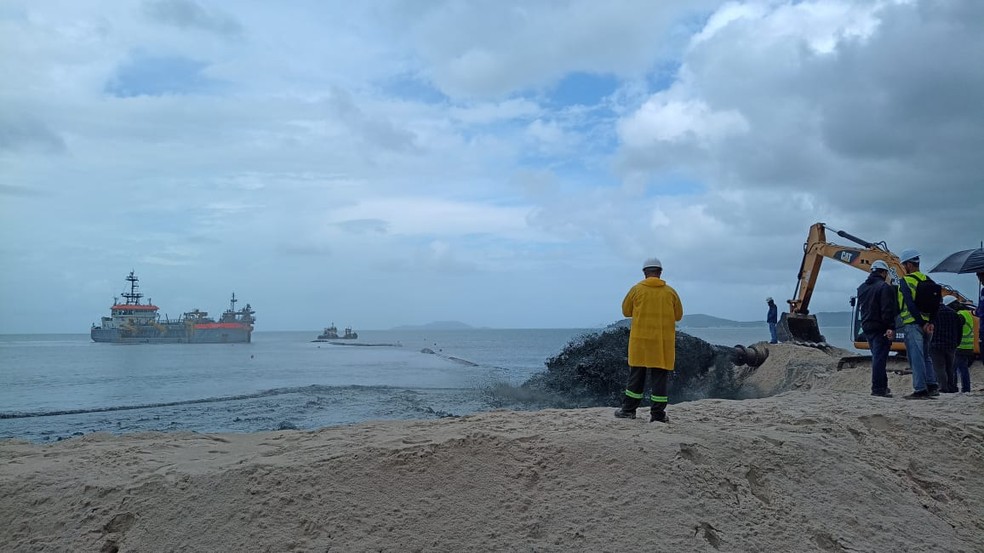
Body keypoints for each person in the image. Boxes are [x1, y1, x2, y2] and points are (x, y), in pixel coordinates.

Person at [615, 257, 684, 423]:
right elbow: (678, 316)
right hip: (662, 343)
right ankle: (658, 416)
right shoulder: (670, 292)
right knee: (659, 379)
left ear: (644, 273)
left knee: (636, 377)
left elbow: (626, 311)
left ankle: (628, 410)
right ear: (660, 273)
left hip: (640, 342)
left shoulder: (636, 290)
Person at [896, 249, 939, 400]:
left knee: (916, 357)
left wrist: (921, 323)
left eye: (904, 265)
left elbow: (909, 304)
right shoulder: (928, 280)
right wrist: (930, 322)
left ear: (908, 264)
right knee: (926, 356)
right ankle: (932, 385)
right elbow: (936, 304)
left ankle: (920, 390)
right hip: (928, 325)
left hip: (913, 324)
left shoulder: (906, 281)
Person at [856, 260, 897, 397]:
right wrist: (890, 326)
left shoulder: (862, 288)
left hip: (867, 327)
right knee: (880, 359)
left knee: (877, 357)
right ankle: (878, 389)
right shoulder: (884, 287)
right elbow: (887, 310)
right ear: (883, 272)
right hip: (880, 328)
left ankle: (883, 387)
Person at [929, 296, 962, 393]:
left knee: (939, 368)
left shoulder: (933, 313)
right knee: (950, 368)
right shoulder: (953, 313)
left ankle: (943, 388)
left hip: (936, 345)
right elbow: (959, 329)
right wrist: (957, 342)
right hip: (951, 345)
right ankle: (952, 387)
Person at [952, 299, 975, 393]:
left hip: (960, 346)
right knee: (963, 369)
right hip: (968, 347)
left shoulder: (960, 315)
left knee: (954, 368)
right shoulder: (967, 314)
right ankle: (966, 388)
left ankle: (955, 387)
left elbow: (956, 328)